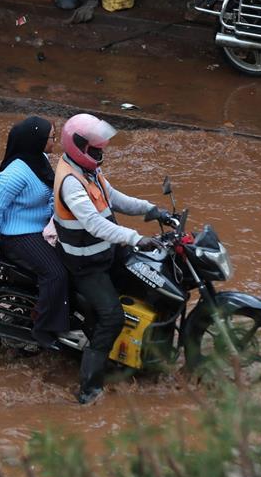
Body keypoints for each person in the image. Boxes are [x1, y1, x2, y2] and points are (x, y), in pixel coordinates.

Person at [52, 113, 172, 404]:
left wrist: (152, 210)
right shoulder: (71, 181)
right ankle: (89, 389)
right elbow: (94, 224)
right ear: (79, 146)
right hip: (86, 262)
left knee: (152, 280)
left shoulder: (88, 170)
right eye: (95, 147)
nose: (100, 151)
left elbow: (114, 197)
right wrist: (135, 237)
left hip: (106, 251)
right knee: (111, 317)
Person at [0, 116, 69, 348]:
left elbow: (51, 194)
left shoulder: (39, 159)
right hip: (17, 236)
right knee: (56, 273)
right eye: (51, 137)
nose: (54, 141)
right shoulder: (15, 174)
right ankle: (44, 330)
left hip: (40, 228)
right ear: (36, 140)